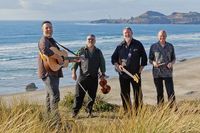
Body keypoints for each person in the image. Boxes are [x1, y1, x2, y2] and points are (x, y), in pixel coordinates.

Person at [111, 27, 147, 114]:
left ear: (132, 33)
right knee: (124, 93)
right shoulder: (120, 46)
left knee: (137, 93)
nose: (127, 34)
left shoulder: (138, 44)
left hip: (135, 75)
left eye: (128, 32)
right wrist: (117, 66)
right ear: (123, 35)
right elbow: (113, 58)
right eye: (125, 33)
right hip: (123, 75)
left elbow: (144, 58)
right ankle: (127, 111)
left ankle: (138, 111)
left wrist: (139, 71)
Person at [71, 34, 106, 118]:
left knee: (92, 97)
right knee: (78, 96)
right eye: (89, 39)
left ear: (95, 41)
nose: (91, 40)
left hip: (94, 78)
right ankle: (75, 113)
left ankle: (89, 112)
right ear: (86, 40)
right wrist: (73, 72)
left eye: (92, 39)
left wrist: (102, 74)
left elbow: (102, 63)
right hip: (82, 77)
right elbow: (75, 62)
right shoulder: (81, 51)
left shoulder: (98, 52)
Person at [38, 21, 64, 122]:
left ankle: (48, 119)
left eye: (50, 28)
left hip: (54, 71)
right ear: (42, 30)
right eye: (46, 28)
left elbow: (60, 58)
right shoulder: (43, 40)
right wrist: (57, 56)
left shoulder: (52, 41)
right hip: (47, 72)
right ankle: (56, 121)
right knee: (55, 95)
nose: (49, 29)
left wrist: (73, 60)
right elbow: (44, 50)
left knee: (49, 96)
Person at [149, 30, 176, 107]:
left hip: (168, 73)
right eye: (161, 35)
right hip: (157, 73)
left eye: (164, 35)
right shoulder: (153, 46)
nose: (162, 37)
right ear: (158, 36)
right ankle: (160, 110)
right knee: (159, 93)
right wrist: (154, 63)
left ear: (166, 36)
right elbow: (150, 59)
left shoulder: (170, 46)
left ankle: (173, 109)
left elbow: (173, 59)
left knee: (170, 92)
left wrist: (171, 63)